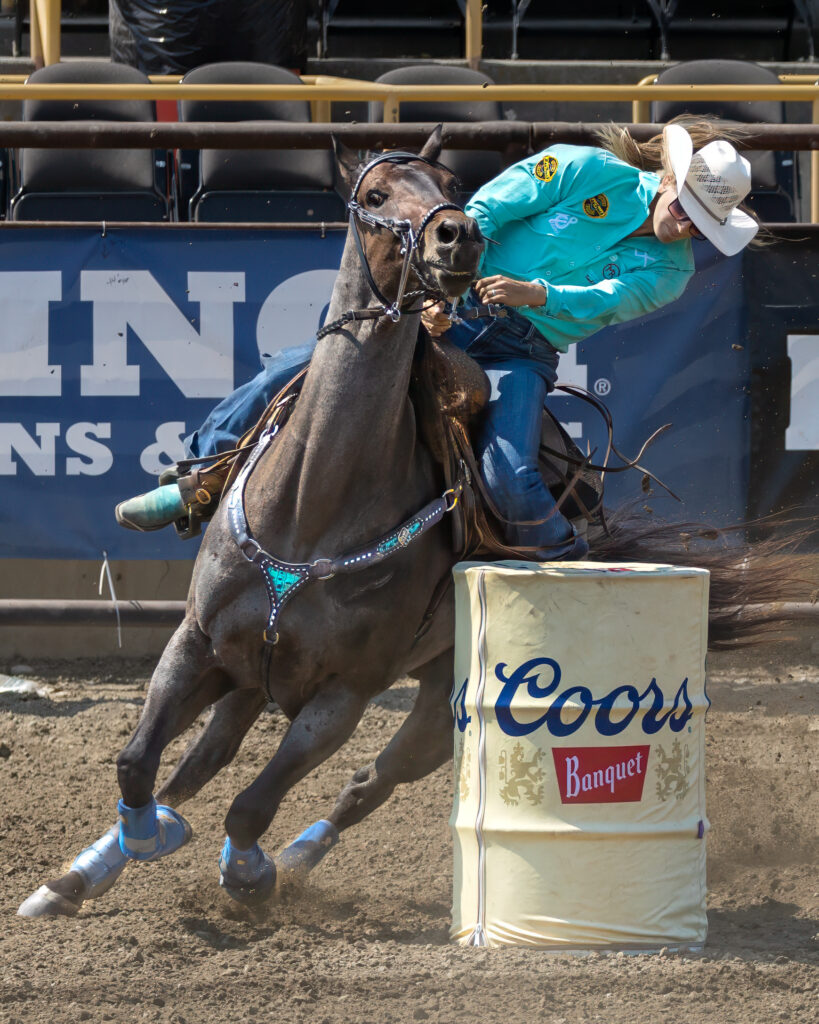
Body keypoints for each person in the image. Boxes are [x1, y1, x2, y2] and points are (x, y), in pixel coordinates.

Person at [115, 116, 760, 554]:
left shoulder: (672, 273)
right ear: (670, 180)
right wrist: (445, 289)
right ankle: (195, 482)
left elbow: (606, 302)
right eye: (686, 207)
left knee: (511, 475)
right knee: (301, 368)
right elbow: (487, 209)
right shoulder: (587, 169)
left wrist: (534, 294)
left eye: (702, 224)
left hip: (523, 349)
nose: (686, 226)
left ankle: (572, 582)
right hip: (455, 302)